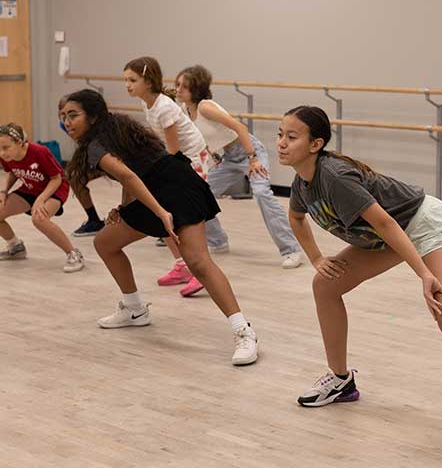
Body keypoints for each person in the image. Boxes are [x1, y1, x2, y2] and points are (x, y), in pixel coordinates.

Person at [278, 105, 442, 457]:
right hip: (386, 238)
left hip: (424, 225)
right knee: (324, 285)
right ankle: (341, 381)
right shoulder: (304, 182)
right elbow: (296, 218)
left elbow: (388, 223)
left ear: (316, 144)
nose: (281, 143)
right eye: (280, 135)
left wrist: (424, 274)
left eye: (291, 136)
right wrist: (316, 258)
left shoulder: (336, 177)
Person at [62, 89, 258, 365]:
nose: (67, 122)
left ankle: (244, 331)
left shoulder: (97, 144)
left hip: (175, 189)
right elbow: (131, 177)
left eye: (73, 115)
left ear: (93, 117)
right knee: (105, 242)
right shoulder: (111, 132)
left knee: (198, 262)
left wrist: (161, 213)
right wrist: (124, 208)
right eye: (63, 117)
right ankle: (134, 309)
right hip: (153, 191)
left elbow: (129, 176)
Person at [176, 65, 302, 268]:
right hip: (225, 159)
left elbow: (239, 127)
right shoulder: (184, 111)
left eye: (184, 86)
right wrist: (213, 155)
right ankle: (218, 241)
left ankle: (291, 249)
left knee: (261, 194)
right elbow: (206, 135)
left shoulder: (204, 107)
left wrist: (252, 158)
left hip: (248, 152)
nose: (179, 89)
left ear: (196, 90)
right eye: (178, 84)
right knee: (199, 196)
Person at [124, 57, 211, 296]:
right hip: (175, 161)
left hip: (191, 161)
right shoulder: (147, 104)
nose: (127, 85)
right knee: (163, 214)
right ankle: (183, 266)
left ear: (148, 81)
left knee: (185, 218)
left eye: (132, 80)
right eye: (126, 80)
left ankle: (199, 270)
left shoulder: (164, 107)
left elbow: (173, 149)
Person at [0, 122, 84, 272]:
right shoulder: (6, 156)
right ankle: (16, 247)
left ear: (20, 143)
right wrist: (4, 191)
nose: (2, 153)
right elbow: (13, 171)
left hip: (55, 188)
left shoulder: (39, 151)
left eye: (6, 147)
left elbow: (56, 179)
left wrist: (41, 199)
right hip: (30, 189)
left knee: (39, 219)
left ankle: (73, 253)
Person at [58, 95, 105, 237]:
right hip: (93, 155)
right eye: (62, 114)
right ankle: (94, 220)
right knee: (75, 177)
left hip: (107, 156)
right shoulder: (65, 124)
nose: (67, 121)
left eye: (71, 114)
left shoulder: (100, 130)